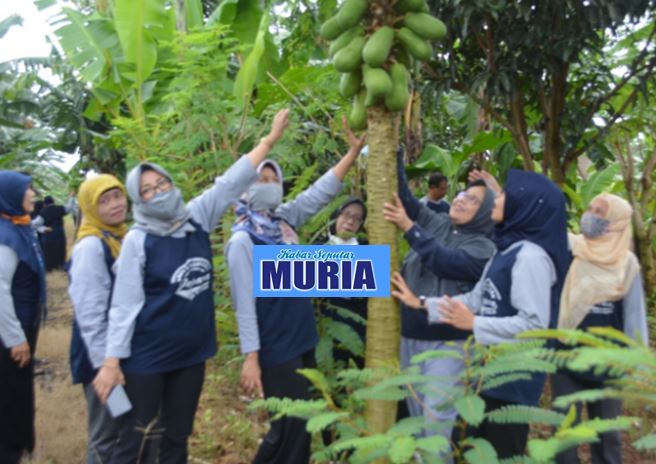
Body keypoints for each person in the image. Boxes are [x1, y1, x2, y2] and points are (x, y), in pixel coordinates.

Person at [92, 108, 291, 464]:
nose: (159, 192)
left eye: (162, 184)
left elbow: (230, 183)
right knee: (137, 437)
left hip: (191, 355)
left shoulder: (196, 217)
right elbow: (124, 305)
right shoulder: (139, 239)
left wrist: (270, 139)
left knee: (177, 437)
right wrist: (111, 362)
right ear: (141, 201)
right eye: (149, 191)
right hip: (147, 358)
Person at [392, 169, 570, 459]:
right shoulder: (506, 250)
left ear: (523, 207)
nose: (498, 197)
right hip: (487, 371)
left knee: (500, 450)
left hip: (512, 377)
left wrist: (473, 323)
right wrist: (422, 303)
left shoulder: (530, 258)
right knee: (470, 447)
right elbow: (476, 298)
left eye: (502, 195)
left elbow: (534, 324)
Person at [225, 117, 365, 464]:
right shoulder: (243, 240)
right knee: (288, 428)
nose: (269, 185)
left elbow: (321, 192)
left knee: (300, 429)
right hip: (275, 346)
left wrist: (353, 152)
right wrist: (251, 357)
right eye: (261, 179)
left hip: (302, 340)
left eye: (274, 179)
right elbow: (244, 303)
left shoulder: (283, 221)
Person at [382, 150, 496, 446]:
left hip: (449, 344)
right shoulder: (441, 223)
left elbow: (444, 260)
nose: (460, 199)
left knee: (436, 422)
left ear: (485, 213)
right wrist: (393, 152)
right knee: (416, 415)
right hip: (409, 335)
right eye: (462, 194)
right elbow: (407, 201)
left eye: (472, 201)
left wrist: (409, 228)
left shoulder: (484, 247)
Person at [553, 193, 649, 464]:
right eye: (590, 208)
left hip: (610, 363)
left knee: (607, 436)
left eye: (600, 212)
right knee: (564, 434)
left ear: (616, 222)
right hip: (566, 356)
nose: (590, 215)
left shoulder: (627, 261)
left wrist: (638, 366)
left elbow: (634, 316)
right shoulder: (572, 248)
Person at [68, 174, 129, 464]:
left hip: (117, 354)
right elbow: (90, 314)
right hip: (102, 359)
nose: (115, 205)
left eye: (118, 196)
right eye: (104, 201)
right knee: (108, 430)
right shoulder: (92, 247)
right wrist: (107, 366)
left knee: (124, 423)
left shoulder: (120, 236)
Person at [0, 171, 46, 464]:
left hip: (23, 324)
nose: (32, 195)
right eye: (27, 190)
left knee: (19, 388)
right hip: (9, 333)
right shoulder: (5, 237)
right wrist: (15, 339)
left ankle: (20, 445)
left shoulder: (19, 226)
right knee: (10, 394)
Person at [317, 197, 368, 369]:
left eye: (357, 218)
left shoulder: (367, 249)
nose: (350, 221)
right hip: (326, 322)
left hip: (359, 323)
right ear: (336, 216)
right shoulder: (319, 246)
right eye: (346, 215)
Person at [36, 195, 74, 271]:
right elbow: (69, 207)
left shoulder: (43, 212)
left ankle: (49, 268)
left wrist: (43, 229)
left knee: (48, 251)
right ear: (53, 201)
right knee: (60, 249)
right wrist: (71, 197)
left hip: (48, 235)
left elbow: (35, 224)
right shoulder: (60, 208)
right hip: (59, 234)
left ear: (45, 204)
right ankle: (60, 265)